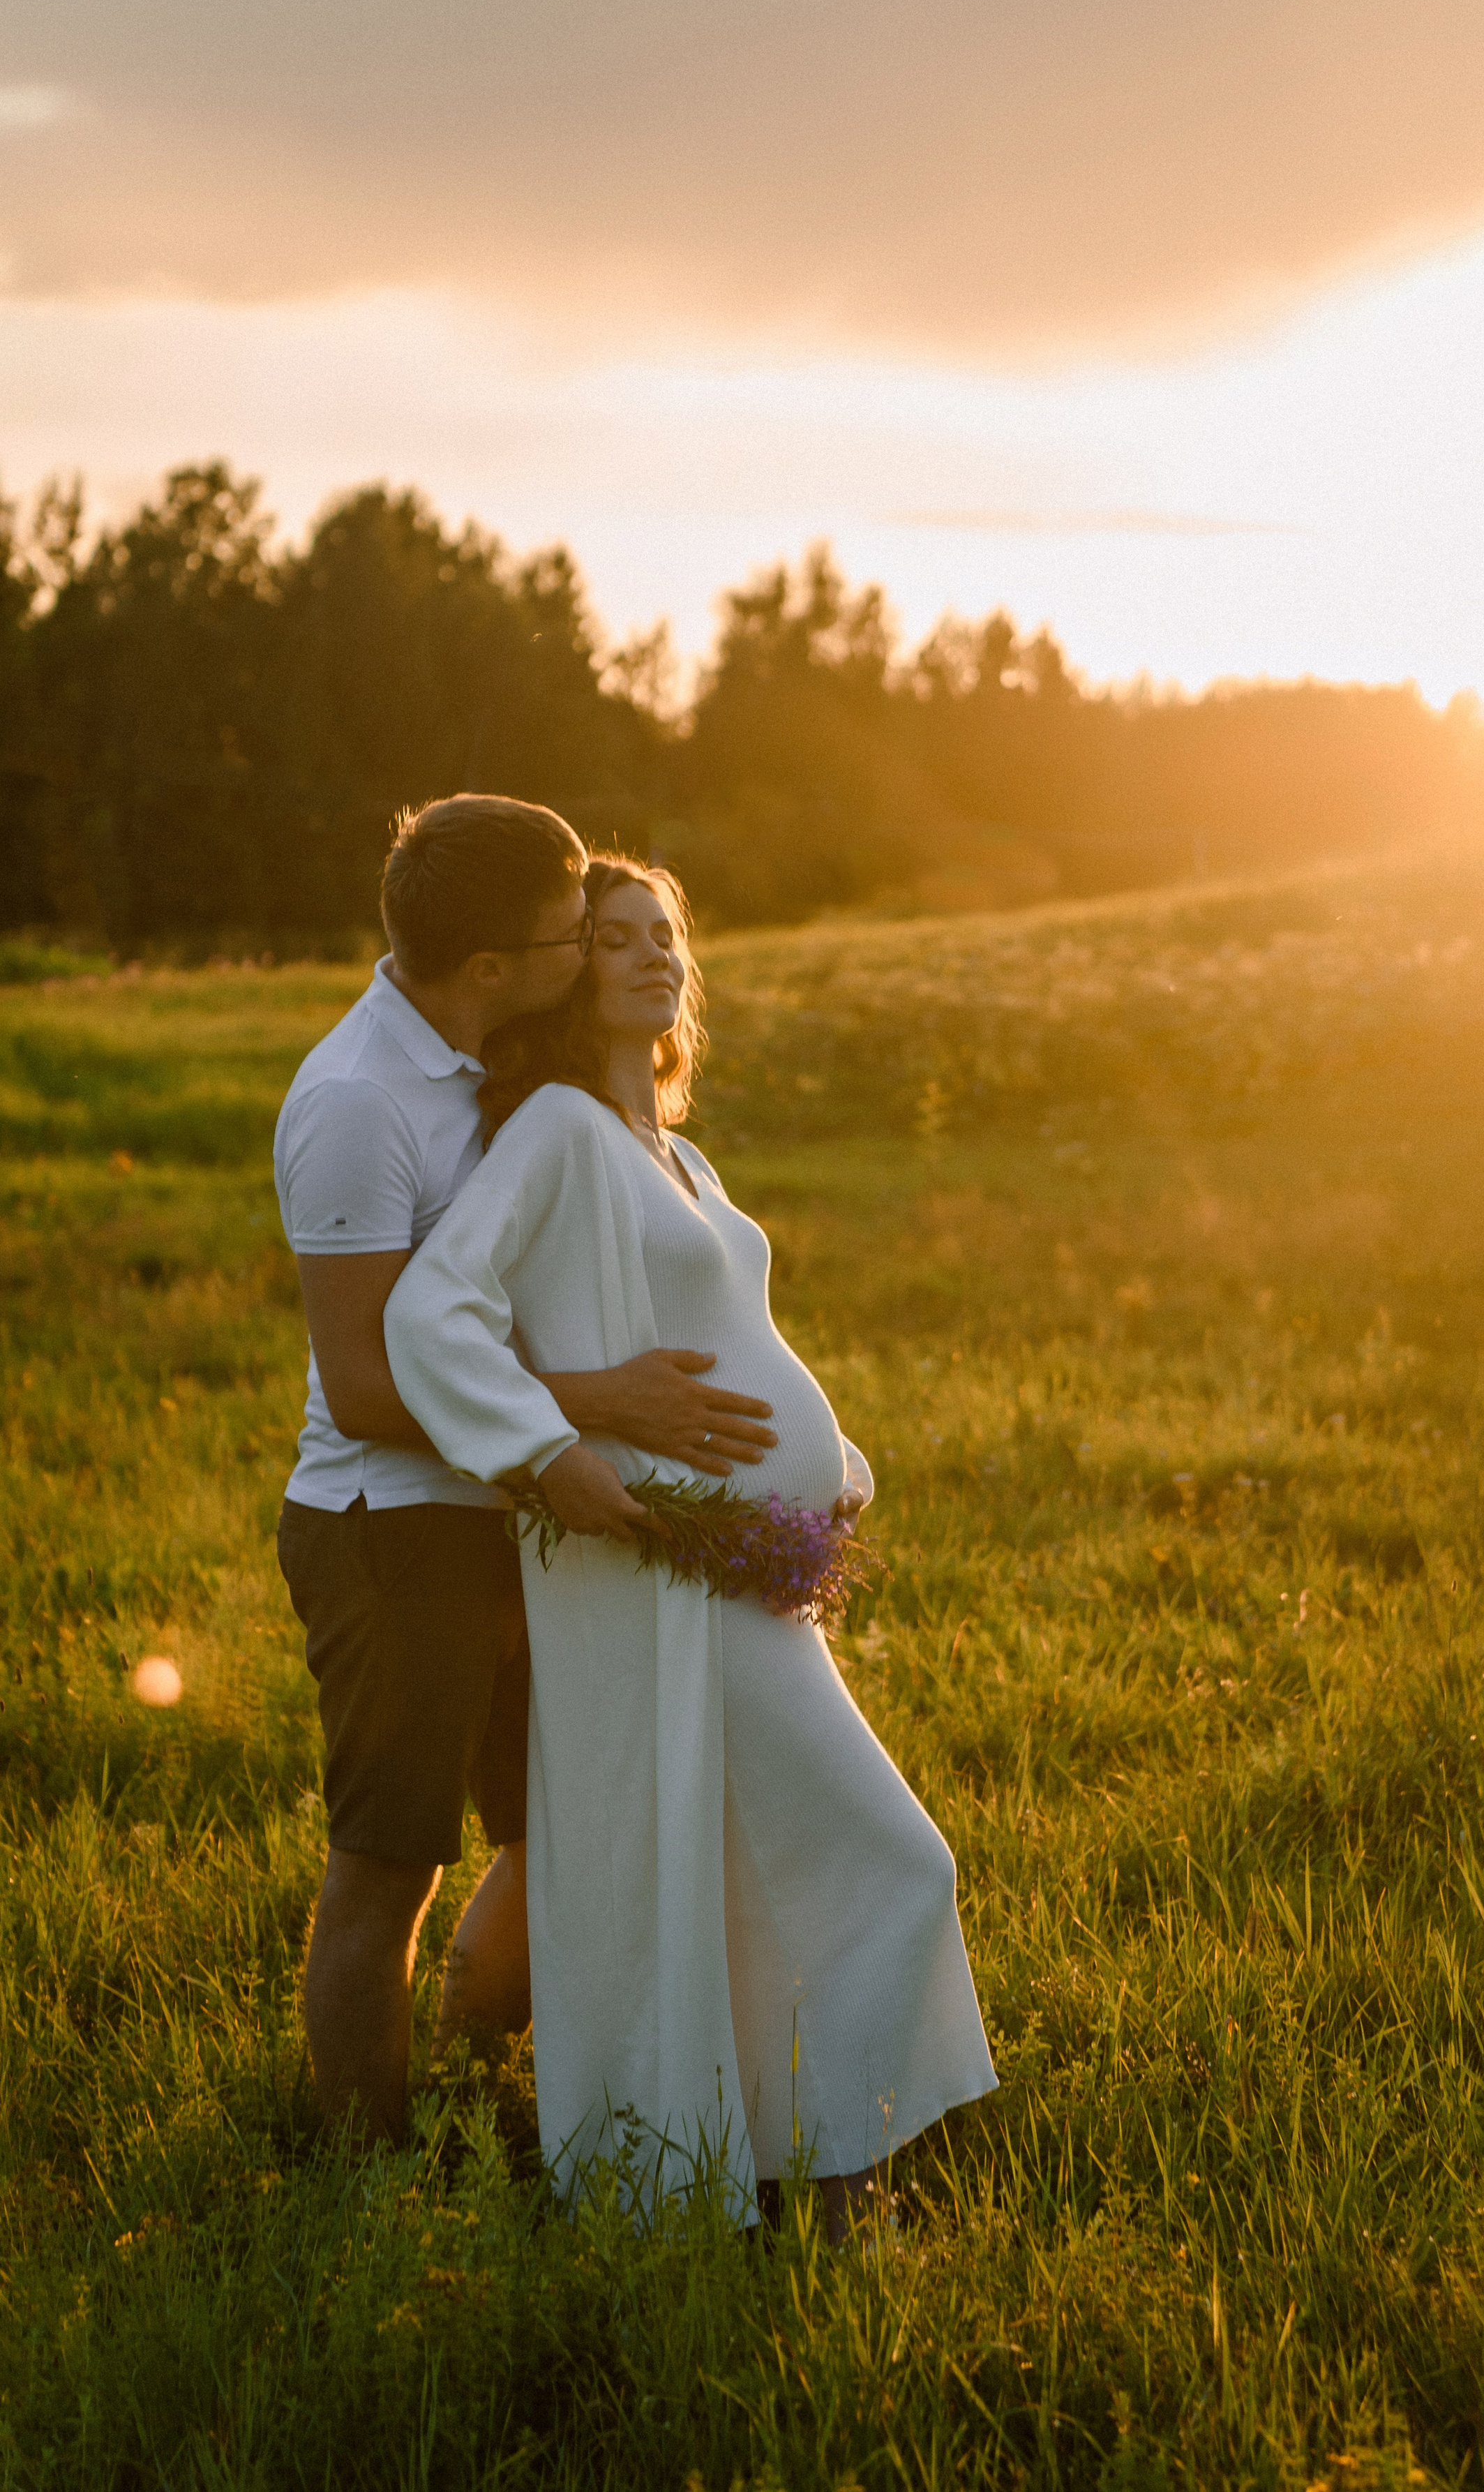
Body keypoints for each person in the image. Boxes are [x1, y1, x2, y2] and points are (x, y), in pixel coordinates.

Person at [384, 856, 997, 2234]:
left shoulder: (678, 1148)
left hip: (758, 1572)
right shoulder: (551, 1133)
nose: (652, 955)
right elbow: (433, 1314)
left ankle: (801, 2172)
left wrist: (831, 1470)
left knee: (756, 1873)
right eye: (614, 937)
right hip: (660, 1568)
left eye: (666, 934)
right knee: (886, 1856)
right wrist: (549, 1454)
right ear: (563, 969)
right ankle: (832, 2180)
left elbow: (741, 1340)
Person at [273, 796, 781, 2142]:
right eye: (574, 935)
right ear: (491, 965)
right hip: (398, 1529)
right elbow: (369, 1385)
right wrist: (588, 1411)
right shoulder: (354, 1106)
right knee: (391, 1869)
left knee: (562, 1823)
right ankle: (362, 2176)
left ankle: (507, 2087)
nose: (594, 948)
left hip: (520, 1514)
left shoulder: (499, 1068)